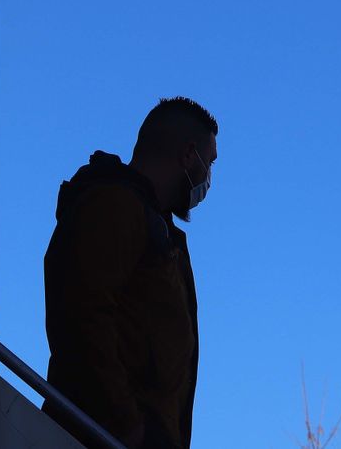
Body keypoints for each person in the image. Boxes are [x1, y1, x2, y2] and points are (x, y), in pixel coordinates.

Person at [44, 97, 218, 449]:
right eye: (209, 162)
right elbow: (84, 312)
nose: (209, 178)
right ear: (188, 155)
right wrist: (125, 424)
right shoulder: (115, 205)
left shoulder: (155, 227)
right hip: (101, 435)